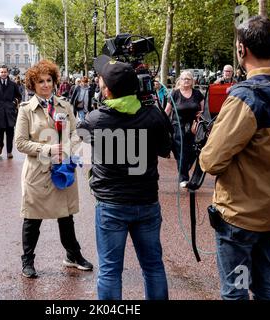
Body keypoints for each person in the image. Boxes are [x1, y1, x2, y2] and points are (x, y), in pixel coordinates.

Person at [199, 16, 270, 300]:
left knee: (236, 291)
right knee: (265, 287)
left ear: (241, 49)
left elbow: (210, 161)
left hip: (240, 218)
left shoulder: (245, 98)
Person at [77, 55, 172, 300]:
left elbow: (83, 143)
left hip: (111, 204)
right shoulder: (152, 116)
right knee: (153, 266)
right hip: (146, 202)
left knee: (110, 270)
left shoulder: (95, 120)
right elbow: (165, 149)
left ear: (107, 91)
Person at [15, 59, 93, 279]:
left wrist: (68, 149)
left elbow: (77, 133)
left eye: (49, 80)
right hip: (38, 172)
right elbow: (20, 143)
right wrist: (48, 149)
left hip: (63, 169)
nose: (46, 85)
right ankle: (27, 260)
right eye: (41, 81)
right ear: (33, 84)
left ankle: (73, 254)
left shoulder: (65, 106)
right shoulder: (26, 110)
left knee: (65, 216)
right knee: (32, 218)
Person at [165, 70, 204, 188]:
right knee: (181, 151)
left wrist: (200, 119)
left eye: (188, 79)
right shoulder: (175, 94)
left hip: (193, 126)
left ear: (192, 81)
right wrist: (162, 123)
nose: (186, 81)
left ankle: (183, 167)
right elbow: (167, 110)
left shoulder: (197, 94)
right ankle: (184, 178)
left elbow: (201, 110)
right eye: (183, 79)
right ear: (179, 81)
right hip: (178, 126)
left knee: (192, 152)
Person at [0, 65, 21, 159]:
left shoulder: (13, 84)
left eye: (5, 72)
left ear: (7, 73)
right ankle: (0, 145)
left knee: (10, 133)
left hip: (10, 112)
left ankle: (9, 151)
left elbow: (19, 96)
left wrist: (14, 103)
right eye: (1, 72)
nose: (3, 74)